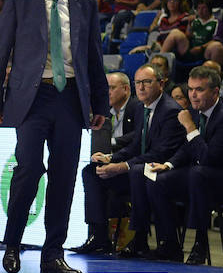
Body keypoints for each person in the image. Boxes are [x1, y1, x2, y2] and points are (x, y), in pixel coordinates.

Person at [0, 0, 109, 273]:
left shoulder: (86, 5)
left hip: (70, 97)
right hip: (32, 98)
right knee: (28, 169)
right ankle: (12, 245)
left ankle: (52, 254)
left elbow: (94, 58)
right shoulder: (19, 1)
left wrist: (100, 104)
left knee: (65, 176)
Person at [74, 64, 185, 255]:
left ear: (161, 83)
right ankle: (98, 236)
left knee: (135, 171)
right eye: (138, 83)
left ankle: (139, 239)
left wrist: (120, 167)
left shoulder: (170, 111)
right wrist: (110, 158)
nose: (141, 87)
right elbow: (136, 146)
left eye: (147, 82)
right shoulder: (144, 108)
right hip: (140, 169)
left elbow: (160, 153)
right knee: (92, 171)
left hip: (163, 170)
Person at [140, 66, 223, 264]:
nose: (193, 95)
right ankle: (169, 243)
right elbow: (187, 148)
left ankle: (200, 244)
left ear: (215, 92)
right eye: (190, 89)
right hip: (200, 177)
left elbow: (208, 158)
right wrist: (168, 165)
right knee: (156, 180)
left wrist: (189, 126)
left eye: (199, 90)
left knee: (198, 174)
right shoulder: (196, 113)